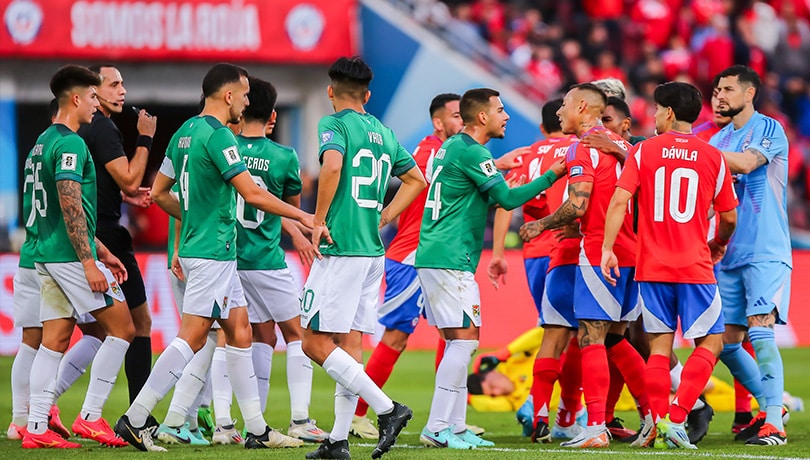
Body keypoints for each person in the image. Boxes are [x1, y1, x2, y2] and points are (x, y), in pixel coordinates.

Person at [115, 63, 314, 451]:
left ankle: (255, 428)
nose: (245, 102)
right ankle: (135, 419)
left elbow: (158, 193)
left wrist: (193, 215)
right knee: (192, 338)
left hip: (206, 251)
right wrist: (303, 216)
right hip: (211, 255)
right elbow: (253, 194)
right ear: (227, 96)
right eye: (242, 95)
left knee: (239, 331)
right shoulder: (220, 136)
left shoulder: (183, 133)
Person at [416, 87, 564, 450]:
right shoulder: (473, 151)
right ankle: (437, 427)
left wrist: (498, 176)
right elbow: (507, 200)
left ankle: (456, 425)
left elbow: (469, 191)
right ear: (482, 117)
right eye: (500, 109)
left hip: (439, 253)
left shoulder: (450, 147)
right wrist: (552, 175)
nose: (506, 116)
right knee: (463, 342)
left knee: (461, 339)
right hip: (449, 256)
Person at [299, 56, 425, 460]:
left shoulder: (333, 125)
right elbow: (416, 179)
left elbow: (332, 166)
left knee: (313, 343)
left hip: (342, 248)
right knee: (350, 345)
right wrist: (386, 215)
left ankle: (387, 409)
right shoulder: (383, 131)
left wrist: (317, 220)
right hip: (372, 251)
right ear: (368, 95)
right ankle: (338, 440)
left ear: (331, 91)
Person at [602, 81, 738, 449]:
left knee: (659, 349)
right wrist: (718, 244)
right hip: (694, 265)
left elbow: (619, 203)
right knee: (711, 342)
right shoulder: (713, 157)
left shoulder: (644, 152)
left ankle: (659, 422)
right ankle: (678, 417)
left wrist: (607, 249)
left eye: (658, 109)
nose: (655, 115)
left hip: (652, 267)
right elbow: (729, 217)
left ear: (670, 113)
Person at [519, 83, 652, 449]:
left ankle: (594, 426)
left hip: (598, 250)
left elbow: (578, 205)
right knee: (614, 338)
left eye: (564, 105)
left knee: (590, 337)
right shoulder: (624, 147)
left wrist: (540, 224)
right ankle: (652, 414)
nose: (559, 112)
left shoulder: (584, 147)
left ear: (581, 107)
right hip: (632, 252)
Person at [23, 65, 136, 449]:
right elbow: (70, 199)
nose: (95, 103)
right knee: (122, 329)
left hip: (45, 253)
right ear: (75, 98)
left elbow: (59, 207)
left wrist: (102, 250)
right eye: (92, 96)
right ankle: (90, 417)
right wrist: (90, 261)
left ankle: (36, 428)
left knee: (54, 340)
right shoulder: (71, 143)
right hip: (70, 256)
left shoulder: (41, 142)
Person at [350, 93, 464, 439]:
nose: (463, 121)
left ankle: (449, 418)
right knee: (397, 337)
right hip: (411, 257)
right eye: (457, 116)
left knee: (453, 332)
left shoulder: (449, 153)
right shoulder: (430, 152)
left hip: (436, 256)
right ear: (439, 123)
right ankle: (357, 414)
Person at [234, 76, 328, 442]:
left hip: (231, 260)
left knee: (259, 335)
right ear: (273, 114)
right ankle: (301, 420)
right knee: (299, 335)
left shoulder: (226, 150)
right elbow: (290, 210)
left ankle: (252, 423)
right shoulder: (284, 157)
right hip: (266, 259)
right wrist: (300, 233)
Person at [488, 98, 585, 443]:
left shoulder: (526, 154)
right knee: (576, 334)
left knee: (552, 330)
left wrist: (498, 252)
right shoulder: (579, 148)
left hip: (532, 256)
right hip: (567, 248)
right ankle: (564, 410)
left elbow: (504, 200)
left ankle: (542, 407)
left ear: (542, 127)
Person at [710, 65, 792, 446]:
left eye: (727, 89)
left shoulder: (768, 128)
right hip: (730, 251)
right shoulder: (722, 137)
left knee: (760, 330)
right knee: (726, 341)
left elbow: (745, 164)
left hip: (766, 247)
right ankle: (771, 405)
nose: (719, 96)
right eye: (715, 90)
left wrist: (695, 152)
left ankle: (773, 422)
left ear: (749, 93)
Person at [78, 65, 156, 405]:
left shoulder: (81, 129)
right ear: (95, 92)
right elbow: (128, 176)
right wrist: (145, 138)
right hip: (106, 236)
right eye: (114, 84)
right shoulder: (105, 128)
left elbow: (93, 182)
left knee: (68, 332)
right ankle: (138, 414)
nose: (122, 90)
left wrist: (123, 195)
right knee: (137, 325)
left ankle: (36, 414)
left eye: (124, 83)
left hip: (83, 233)